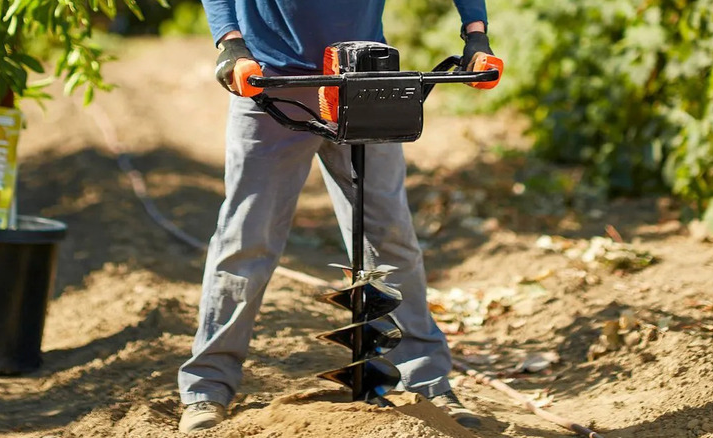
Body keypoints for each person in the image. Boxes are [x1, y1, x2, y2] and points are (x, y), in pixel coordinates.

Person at [177, 1, 495, 434]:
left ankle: (428, 382)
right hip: (270, 82)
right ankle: (206, 388)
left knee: (391, 239)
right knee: (245, 239)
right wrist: (230, 42)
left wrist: (474, 33)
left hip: (366, 78)